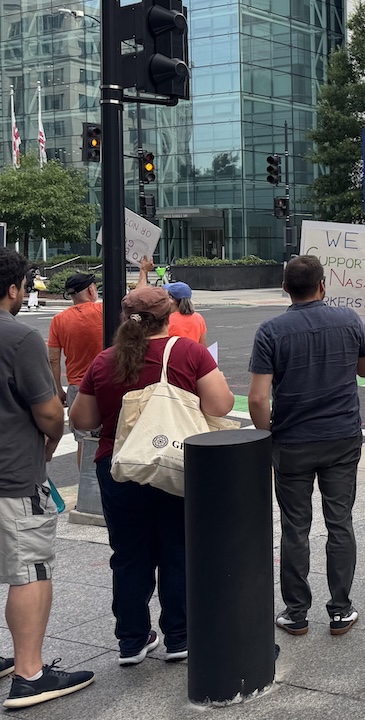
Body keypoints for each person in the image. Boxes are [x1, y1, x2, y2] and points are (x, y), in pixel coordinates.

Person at [72, 285, 233, 667]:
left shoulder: (105, 360)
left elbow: (82, 419)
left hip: (119, 467)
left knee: (127, 555)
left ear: (126, 319)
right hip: (175, 464)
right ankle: (179, 634)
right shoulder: (188, 352)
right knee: (178, 549)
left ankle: (131, 639)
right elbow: (221, 404)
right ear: (169, 315)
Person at [248, 256, 365, 636]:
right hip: (341, 436)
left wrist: (268, 431)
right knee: (340, 523)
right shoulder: (349, 320)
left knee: (295, 527)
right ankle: (340, 609)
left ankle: (296, 611)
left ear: (285, 288)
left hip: (293, 441)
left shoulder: (271, 331)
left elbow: (257, 398)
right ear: (323, 285)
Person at [0, 248, 94, 709]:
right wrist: (52, 439)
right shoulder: (19, 338)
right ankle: (30, 674)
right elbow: (48, 411)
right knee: (31, 570)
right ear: (14, 289)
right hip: (12, 472)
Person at [47, 273, 104, 465]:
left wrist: (58, 391)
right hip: (107, 383)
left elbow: (54, 359)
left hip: (78, 388)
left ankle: (86, 488)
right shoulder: (104, 311)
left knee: (83, 441)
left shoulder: (59, 320)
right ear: (90, 290)